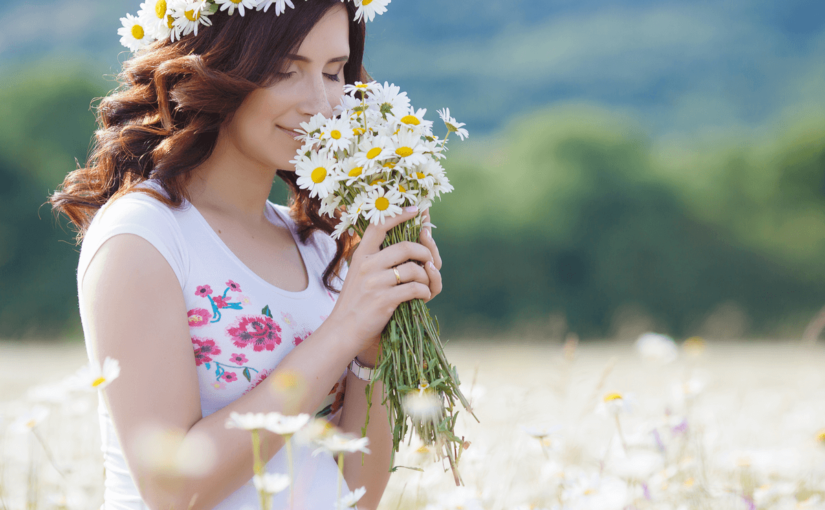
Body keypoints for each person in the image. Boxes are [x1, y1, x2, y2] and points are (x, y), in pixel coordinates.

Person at [48, 1, 443, 508]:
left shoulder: (317, 245)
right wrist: (343, 329)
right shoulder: (143, 236)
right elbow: (173, 488)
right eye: (285, 70)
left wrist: (376, 342)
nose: (321, 104)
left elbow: (357, 493)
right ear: (218, 66)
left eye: (333, 71)